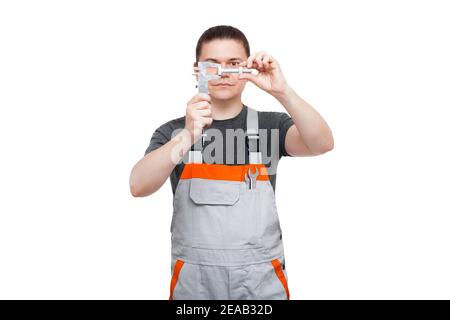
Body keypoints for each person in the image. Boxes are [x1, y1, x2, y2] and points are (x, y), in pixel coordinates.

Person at [129, 25, 334, 300]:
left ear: (248, 69)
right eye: (212, 65)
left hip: (260, 285)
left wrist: (282, 90)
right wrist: (189, 134)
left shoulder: (269, 127)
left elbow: (322, 143)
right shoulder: (173, 133)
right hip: (195, 288)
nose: (224, 73)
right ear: (196, 69)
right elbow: (138, 185)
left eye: (234, 64)